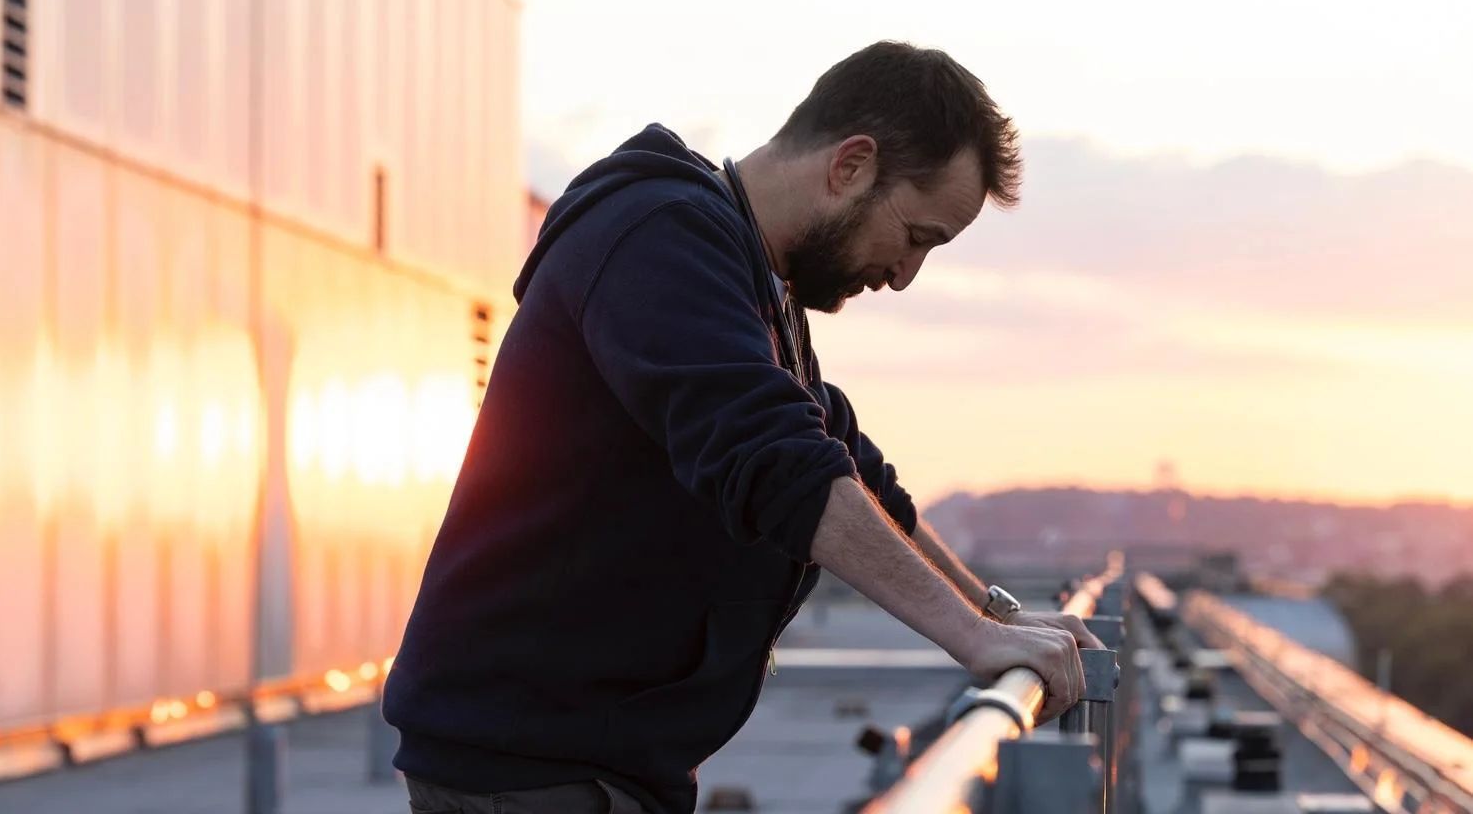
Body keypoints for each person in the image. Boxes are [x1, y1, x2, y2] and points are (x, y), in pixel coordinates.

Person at [383, 40, 1102, 814]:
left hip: (595, 757)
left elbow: (848, 465)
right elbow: (780, 463)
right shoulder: (657, 238)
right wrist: (973, 639)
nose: (903, 274)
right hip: (531, 763)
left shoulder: (754, 280)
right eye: (917, 235)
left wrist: (994, 616)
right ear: (850, 165)